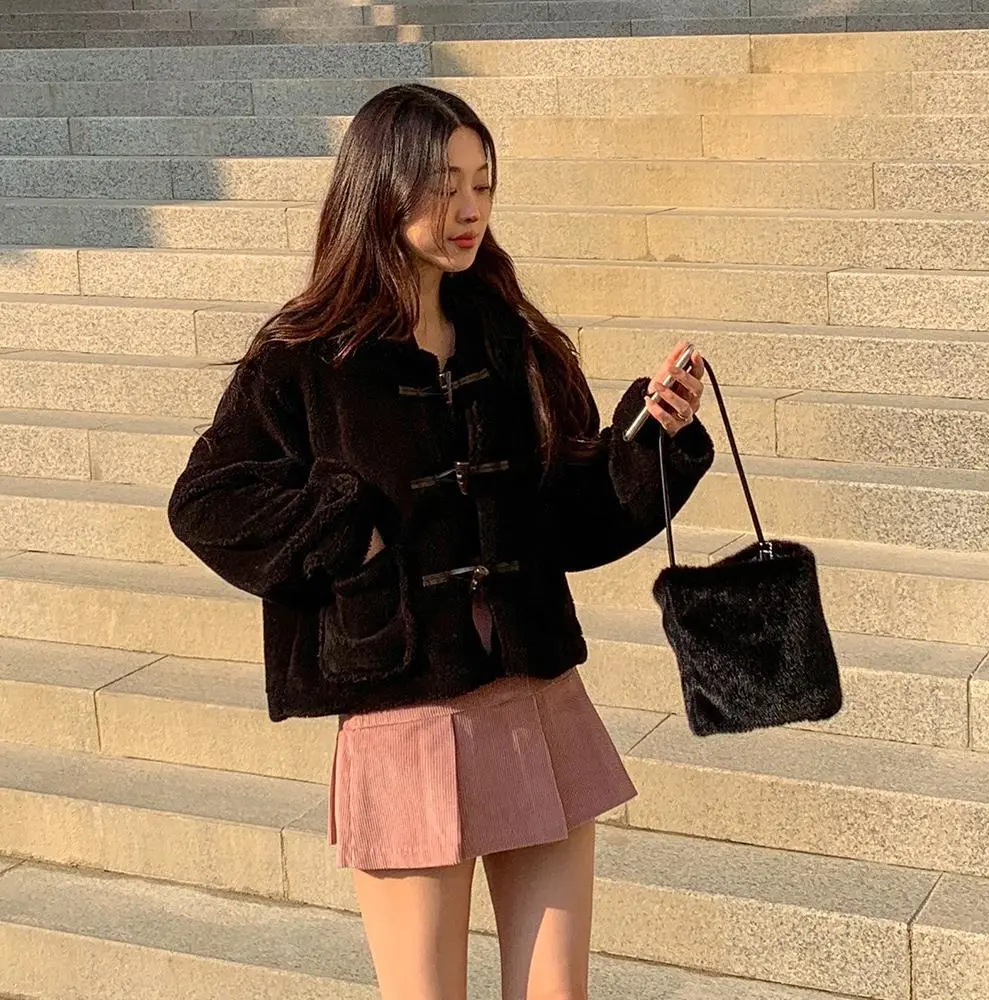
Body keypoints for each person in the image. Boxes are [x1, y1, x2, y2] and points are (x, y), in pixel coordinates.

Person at [167, 84, 714, 1000]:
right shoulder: (306, 358)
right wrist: (349, 539)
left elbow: (566, 519)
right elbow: (206, 502)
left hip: (535, 698)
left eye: (483, 184)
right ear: (381, 188)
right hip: (403, 715)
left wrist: (647, 440)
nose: (468, 208)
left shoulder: (513, 341)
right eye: (443, 184)